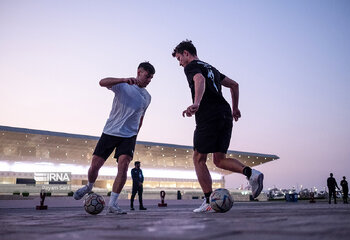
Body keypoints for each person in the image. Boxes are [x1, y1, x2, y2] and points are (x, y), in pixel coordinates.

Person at [172, 40, 264, 212]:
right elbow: (234, 85)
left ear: (186, 53)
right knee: (219, 159)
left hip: (208, 114)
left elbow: (199, 80)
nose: (180, 63)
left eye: (179, 58)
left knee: (198, 158)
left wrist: (197, 103)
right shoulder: (211, 68)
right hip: (225, 114)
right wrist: (235, 108)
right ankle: (252, 174)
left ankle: (208, 201)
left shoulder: (191, 66)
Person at [73, 62, 155, 214]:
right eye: (147, 76)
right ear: (138, 72)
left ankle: (113, 204)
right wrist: (123, 79)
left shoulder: (147, 97)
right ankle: (89, 186)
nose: (149, 80)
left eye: (151, 78)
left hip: (129, 136)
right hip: (110, 131)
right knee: (95, 165)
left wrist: (136, 133)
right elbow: (102, 82)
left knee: (123, 165)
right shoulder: (123, 85)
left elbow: (141, 117)